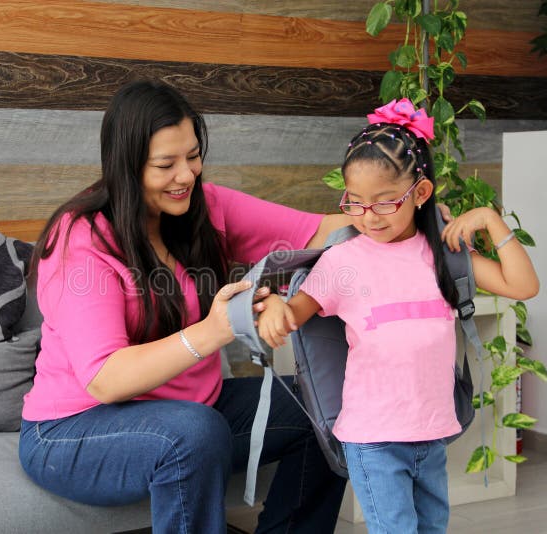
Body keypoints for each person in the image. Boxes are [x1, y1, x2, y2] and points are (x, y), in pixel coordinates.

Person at [17, 79, 351, 533]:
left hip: (193, 412)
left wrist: (407, 217)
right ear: (126, 166)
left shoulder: (204, 207)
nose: (186, 175)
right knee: (193, 432)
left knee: (329, 411)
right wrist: (216, 329)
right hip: (73, 431)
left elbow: (318, 232)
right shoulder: (81, 241)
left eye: (193, 156)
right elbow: (106, 379)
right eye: (165, 164)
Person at [255, 99, 539, 534]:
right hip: (374, 438)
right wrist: (275, 305)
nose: (368, 216)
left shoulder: (443, 255)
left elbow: (523, 286)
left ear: (420, 194)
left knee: (432, 528)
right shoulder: (343, 261)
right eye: (356, 203)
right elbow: (296, 311)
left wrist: (490, 221)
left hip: (432, 431)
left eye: (385, 203)